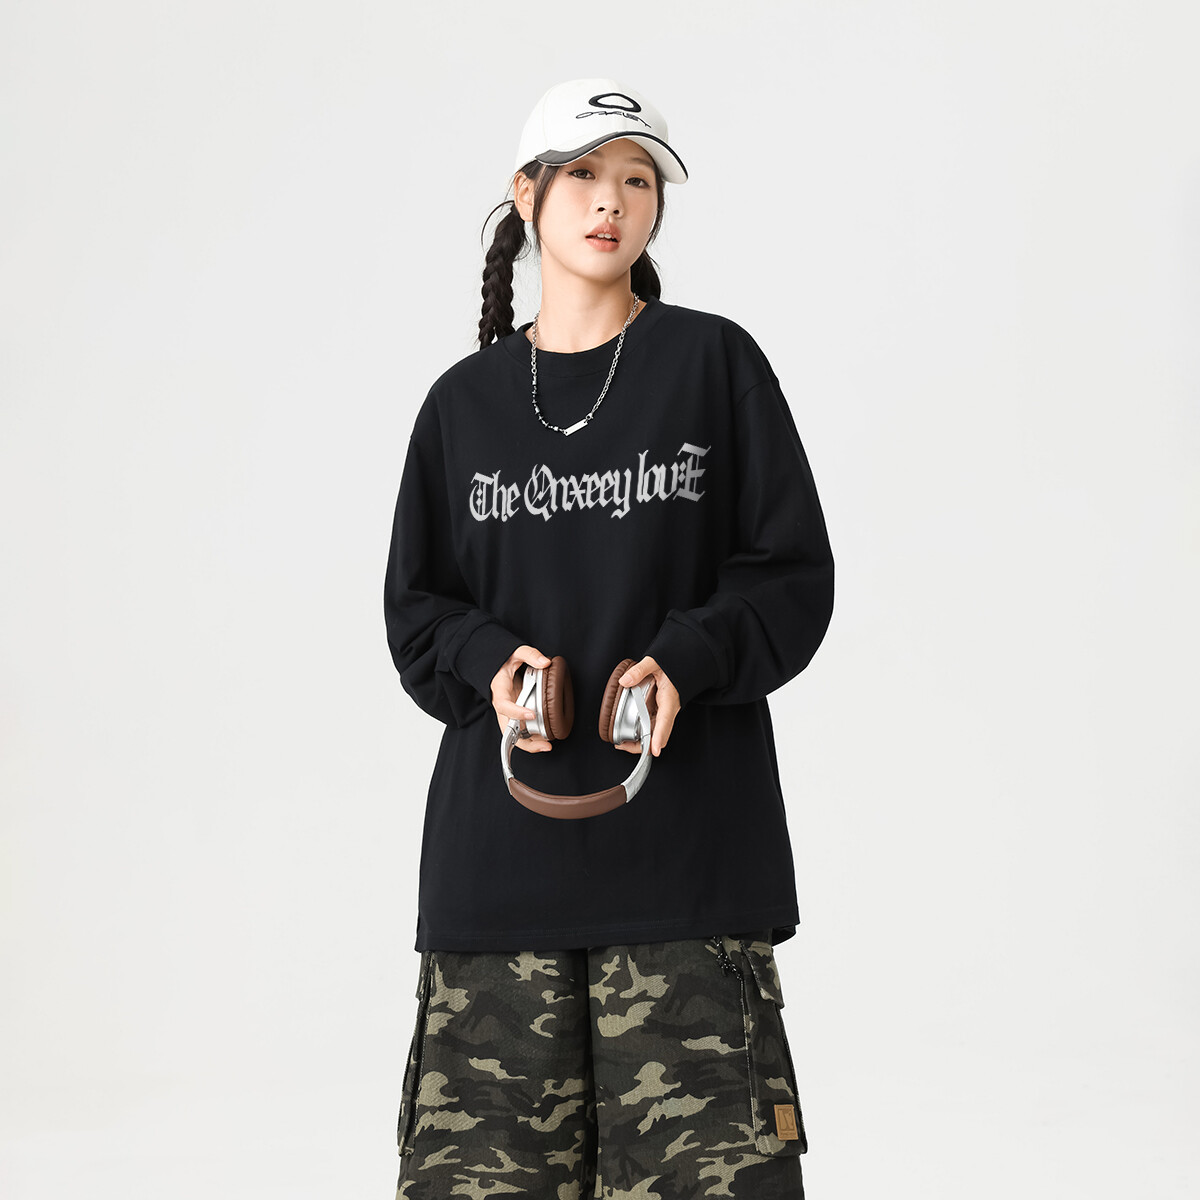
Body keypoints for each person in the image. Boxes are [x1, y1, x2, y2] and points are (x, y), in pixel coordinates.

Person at [383, 76, 834, 1199]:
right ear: (525, 194)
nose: (610, 201)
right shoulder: (461, 406)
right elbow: (417, 611)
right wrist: (490, 664)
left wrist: (687, 657)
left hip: (689, 884)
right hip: (497, 890)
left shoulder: (713, 365)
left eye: (638, 180)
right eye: (583, 173)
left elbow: (792, 577)